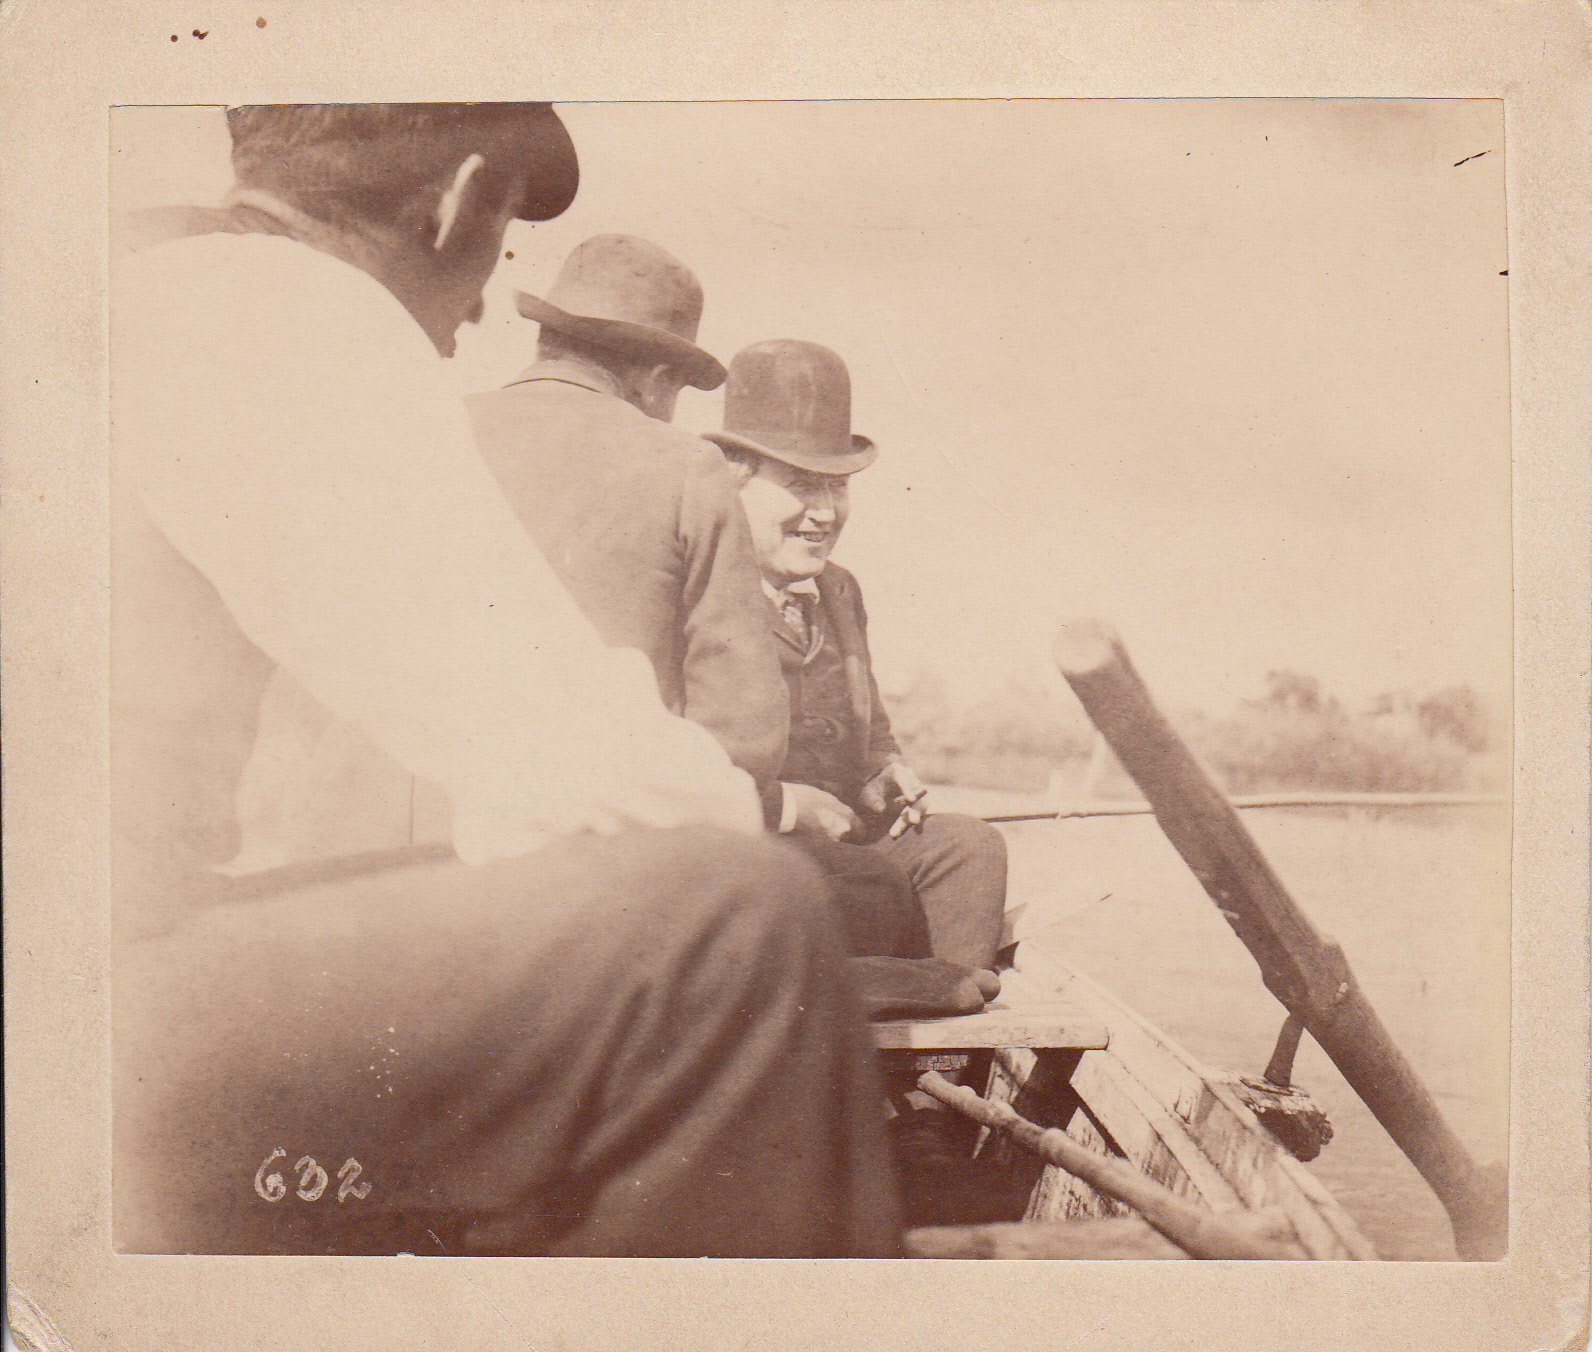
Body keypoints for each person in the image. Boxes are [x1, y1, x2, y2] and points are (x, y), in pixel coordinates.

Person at [110, 103, 901, 1258]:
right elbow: (569, 746)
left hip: (96, 959)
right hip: (81, 1024)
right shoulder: (273, 310)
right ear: (461, 198)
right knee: (738, 923)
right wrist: (770, 819)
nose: (477, 304)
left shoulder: (113, 274)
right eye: (498, 243)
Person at [466, 236, 950, 969]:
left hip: (439, 853)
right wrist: (784, 807)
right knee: (875, 898)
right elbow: (741, 741)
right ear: (660, 376)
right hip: (618, 861)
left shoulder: (437, 432)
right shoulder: (683, 469)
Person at [706, 339, 1009, 976]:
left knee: (970, 849)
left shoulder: (840, 592)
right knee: (871, 896)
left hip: (845, 845)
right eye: (798, 486)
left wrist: (884, 768)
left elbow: (870, 730)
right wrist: (780, 802)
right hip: (745, 849)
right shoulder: (699, 589)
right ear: (733, 484)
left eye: (837, 488)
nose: (824, 513)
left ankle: (947, 1052)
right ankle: (903, 1001)